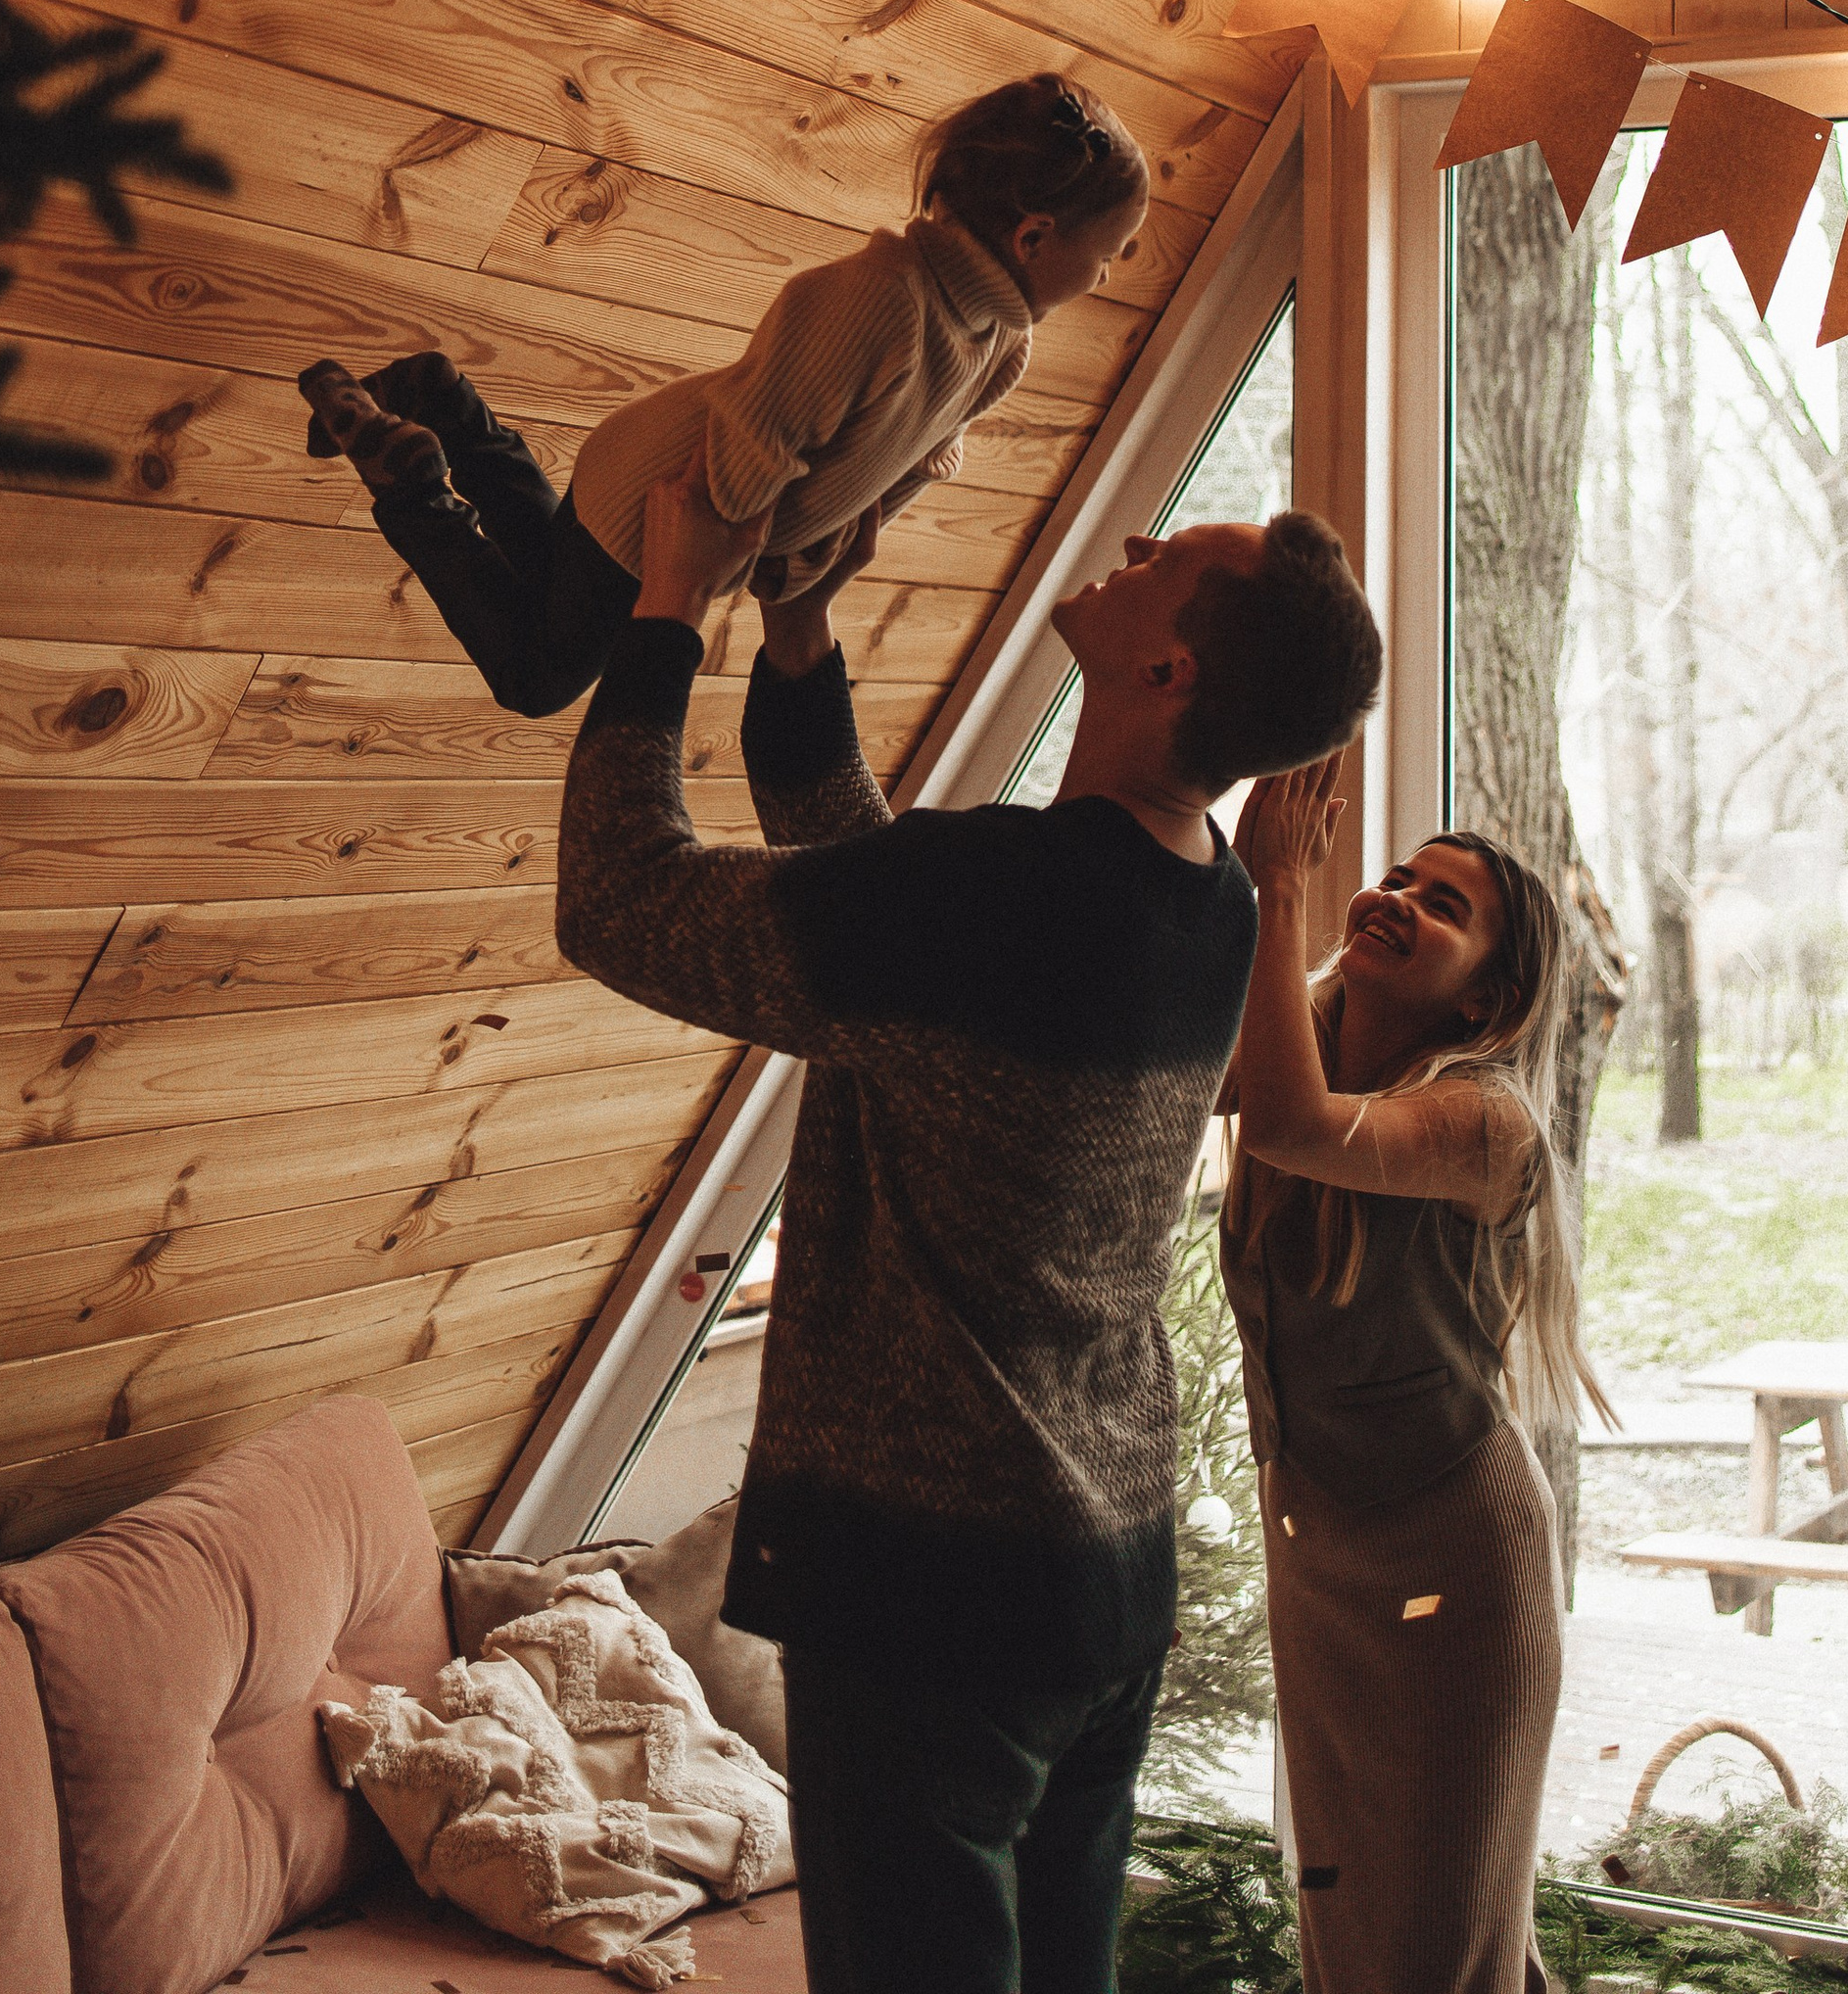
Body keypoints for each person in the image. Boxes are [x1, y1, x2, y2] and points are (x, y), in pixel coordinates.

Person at [552, 451, 1382, 1994]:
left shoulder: (995, 894)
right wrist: (794, 634)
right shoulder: (1204, 904)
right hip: (1100, 1579)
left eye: (1164, 553)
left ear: (1167, 665)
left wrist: (668, 608)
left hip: (934, 1601)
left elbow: (620, 900)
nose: (1131, 542)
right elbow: (876, 894)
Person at [296, 71, 1147, 720]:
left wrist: (805, 558)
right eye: (1110, 255)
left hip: (662, 496)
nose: (1108, 274)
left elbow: (901, 468)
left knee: (547, 570)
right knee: (538, 675)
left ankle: (439, 402)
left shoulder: (1000, 341)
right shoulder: (882, 297)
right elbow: (752, 456)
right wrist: (755, 567)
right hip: (669, 495)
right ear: (1035, 237)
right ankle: (408, 480)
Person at [1222, 776, 1616, 1994]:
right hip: (1318, 1545)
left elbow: (1287, 1124)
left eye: (1439, 905)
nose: (1392, 897)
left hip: (1454, 1562)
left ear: (1487, 998)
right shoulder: (1303, 1027)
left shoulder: (1488, 1126)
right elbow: (1161, 1054)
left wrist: (1276, 879)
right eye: (1395, 876)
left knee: (1445, 1943)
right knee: (1348, 1925)